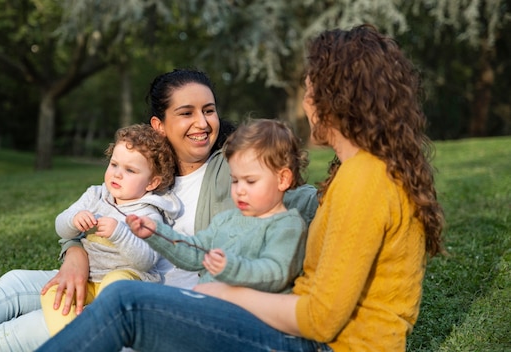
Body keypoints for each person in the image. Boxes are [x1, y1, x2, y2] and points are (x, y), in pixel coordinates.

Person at [35, 25, 445, 352]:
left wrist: (228, 295)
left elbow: (322, 318)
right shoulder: (362, 172)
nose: (305, 102)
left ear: (338, 98)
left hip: (319, 345)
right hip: (298, 331)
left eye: (309, 89)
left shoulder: (366, 180)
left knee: (124, 304)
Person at [0, 68, 318, 352]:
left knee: (34, 325)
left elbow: (287, 189)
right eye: (186, 112)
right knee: (17, 283)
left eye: (209, 110)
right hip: (103, 272)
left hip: (152, 294)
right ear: (158, 125)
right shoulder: (148, 172)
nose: (203, 123)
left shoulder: (231, 171)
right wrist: (74, 252)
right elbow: (89, 216)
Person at [128, 118, 308, 293]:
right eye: (235, 180)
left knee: (123, 295)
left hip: (245, 316)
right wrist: (157, 233)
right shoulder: (227, 219)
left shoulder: (287, 226)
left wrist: (230, 267)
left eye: (250, 181)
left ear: (283, 179)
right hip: (207, 303)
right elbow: (195, 252)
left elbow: (276, 273)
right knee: (126, 293)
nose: (240, 190)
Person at [41, 124, 181, 336]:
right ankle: (71, 342)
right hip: (90, 279)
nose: (117, 174)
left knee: (115, 285)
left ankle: (100, 338)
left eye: (130, 170)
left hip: (129, 278)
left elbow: (146, 260)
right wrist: (74, 220)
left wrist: (120, 233)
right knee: (53, 293)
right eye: (114, 164)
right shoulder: (95, 195)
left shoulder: (150, 214)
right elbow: (61, 227)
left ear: (152, 182)